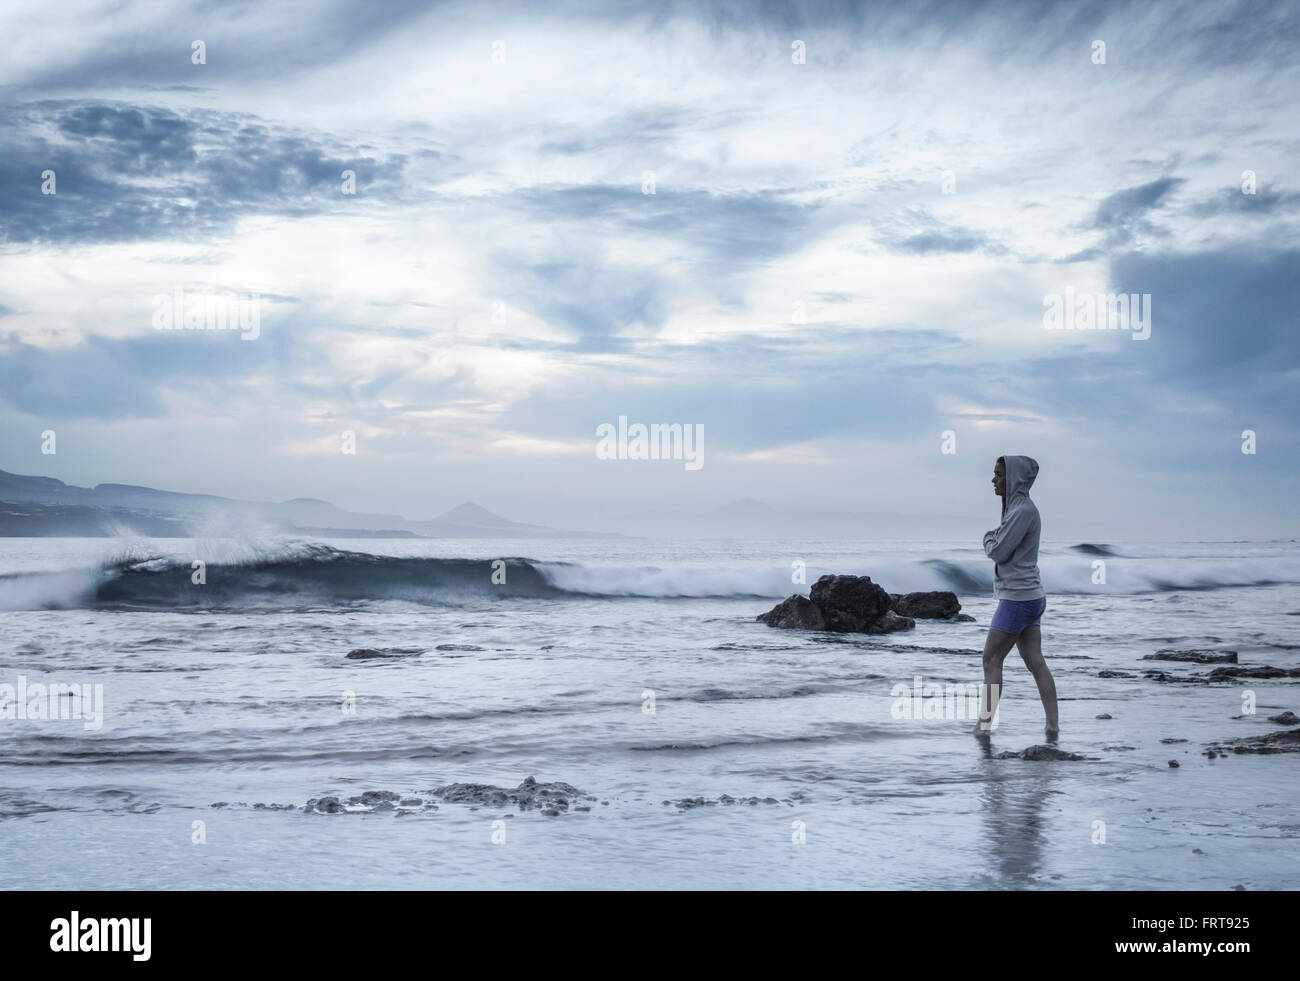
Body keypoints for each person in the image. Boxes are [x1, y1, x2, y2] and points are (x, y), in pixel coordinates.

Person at [974, 455, 1058, 739]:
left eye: (999, 474)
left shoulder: (1022, 511)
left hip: (1018, 599)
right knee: (1035, 661)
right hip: (1029, 595)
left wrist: (987, 537)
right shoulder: (1017, 510)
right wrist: (995, 537)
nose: (993, 480)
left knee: (990, 659)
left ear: (1016, 478)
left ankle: (984, 727)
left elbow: (997, 550)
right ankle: (1052, 727)